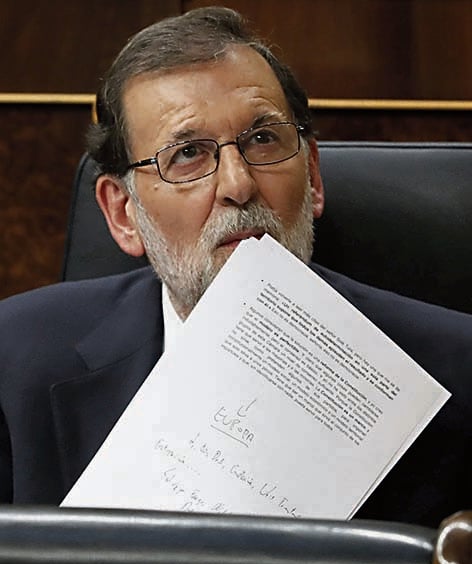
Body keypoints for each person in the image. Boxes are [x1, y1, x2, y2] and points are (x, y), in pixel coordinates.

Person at [0, 7, 471, 526]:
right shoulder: (15, 360)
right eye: (187, 154)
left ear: (312, 176)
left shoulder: (455, 370)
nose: (238, 184)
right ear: (123, 214)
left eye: (263, 139)